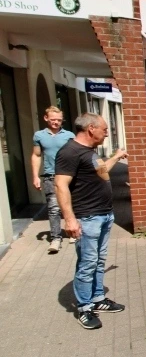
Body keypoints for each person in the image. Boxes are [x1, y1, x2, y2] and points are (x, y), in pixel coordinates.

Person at [55, 113, 128, 330]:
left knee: (98, 260)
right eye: (104, 130)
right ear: (91, 129)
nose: (107, 134)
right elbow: (60, 185)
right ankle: (84, 307)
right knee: (87, 264)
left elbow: (101, 171)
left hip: (104, 215)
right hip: (87, 217)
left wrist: (116, 156)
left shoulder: (88, 151)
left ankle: (97, 299)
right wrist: (70, 219)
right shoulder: (69, 152)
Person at [31, 106, 76, 253]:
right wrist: (35, 176)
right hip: (50, 176)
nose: (56, 122)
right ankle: (56, 238)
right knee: (53, 208)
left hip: (69, 176)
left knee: (72, 204)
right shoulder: (39, 136)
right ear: (46, 118)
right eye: (53, 120)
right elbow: (36, 155)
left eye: (59, 120)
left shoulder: (69, 135)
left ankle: (73, 232)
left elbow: (76, 155)